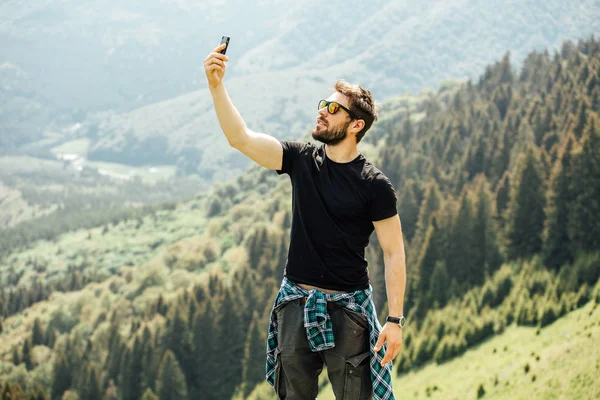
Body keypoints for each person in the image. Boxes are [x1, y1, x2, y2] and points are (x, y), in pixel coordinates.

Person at [204, 42, 406, 400]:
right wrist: (216, 85)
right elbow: (241, 138)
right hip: (295, 305)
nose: (322, 112)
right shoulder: (300, 159)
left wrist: (394, 321)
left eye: (333, 108)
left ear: (356, 124)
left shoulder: (375, 186)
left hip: (349, 313)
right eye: (322, 105)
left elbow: (393, 253)